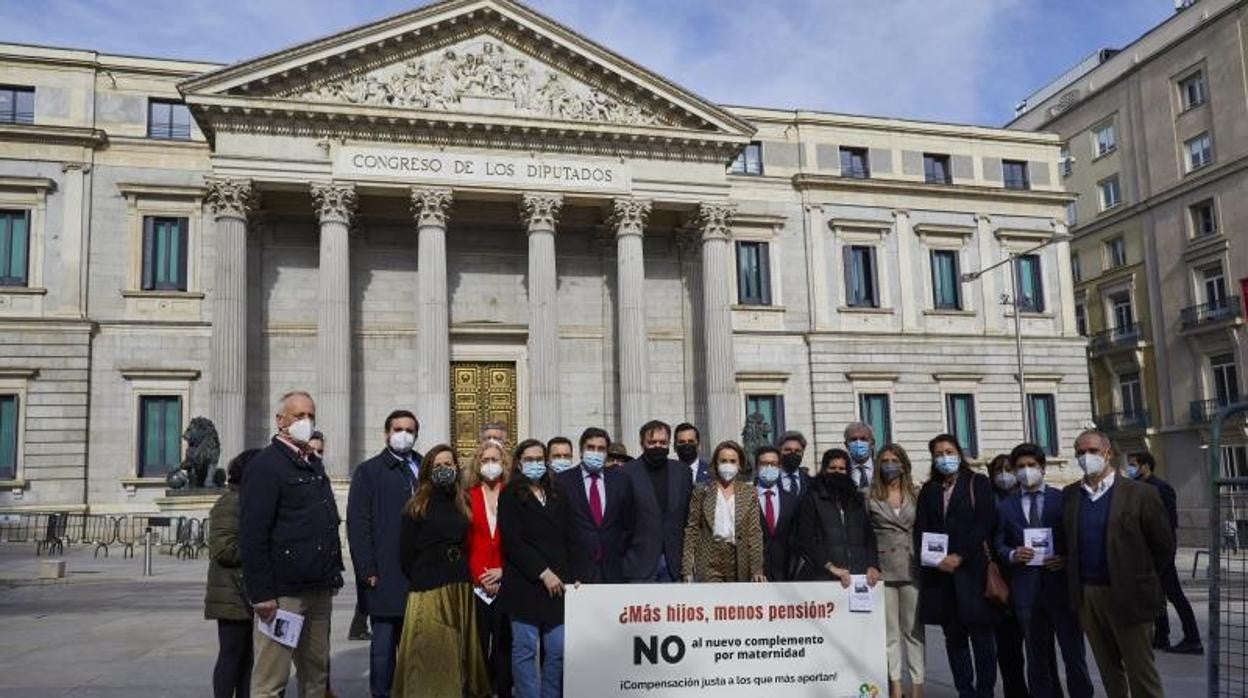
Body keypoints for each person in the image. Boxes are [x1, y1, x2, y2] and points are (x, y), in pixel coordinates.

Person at [240, 391, 344, 698]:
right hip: (283, 593)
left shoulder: (314, 464)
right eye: (299, 416)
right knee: (271, 679)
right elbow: (253, 533)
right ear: (281, 420)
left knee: (316, 675)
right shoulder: (266, 465)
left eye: (310, 416)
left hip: (318, 587)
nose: (306, 422)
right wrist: (261, 593)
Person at [1063, 431, 1173, 698]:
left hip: (1128, 593)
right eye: (1080, 452)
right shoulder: (1070, 496)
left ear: (1108, 453)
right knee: (1108, 672)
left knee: (1141, 672)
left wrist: (1140, 578)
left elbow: (1164, 545)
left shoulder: (1141, 493)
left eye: (1091, 450)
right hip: (1088, 596)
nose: (1085, 457)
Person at [995, 443, 1093, 698]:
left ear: (1042, 468)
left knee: (1074, 657)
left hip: (1061, 590)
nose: (1026, 471)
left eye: (1031, 466)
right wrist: (1013, 554)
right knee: (1036, 659)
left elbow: (1078, 541)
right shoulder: (1006, 506)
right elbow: (998, 545)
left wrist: (1065, 559)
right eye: (1020, 467)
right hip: (1026, 591)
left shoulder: (1062, 501)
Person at [393, 444, 490, 697]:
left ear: (456, 468)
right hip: (429, 588)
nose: (443, 469)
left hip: (460, 585)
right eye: (437, 465)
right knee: (431, 652)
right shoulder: (416, 506)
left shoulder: (463, 501)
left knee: (458, 651)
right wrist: (424, 578)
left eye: (448, 464)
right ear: (428, 470)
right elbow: (406, 555)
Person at [914, 433, 1000, 698]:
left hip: (972, 572)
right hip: (942, 577)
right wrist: (933, 558)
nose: (944, 458)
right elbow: (921, 528)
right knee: (955, 640)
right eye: (938, 454)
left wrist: (959, 555)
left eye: (949, 452)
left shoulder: (978, 482)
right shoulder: (929, 489)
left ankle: (985, 692)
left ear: (959, 454)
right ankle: (965, 691)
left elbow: (984, 522)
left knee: (983, 639)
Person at [346, 410, 422, 698]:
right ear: (387, 433)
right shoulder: (369, 471)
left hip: (418, 573)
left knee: (416, 646)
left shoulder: (423, 466)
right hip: (384, 572)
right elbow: (358, 523)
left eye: (409, 429)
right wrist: (366, 568)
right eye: (398, 428)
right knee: (383, 646)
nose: (404, 434)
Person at [498, 439, 582, 698]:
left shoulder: (557, 492)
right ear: (520, 463)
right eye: (529, 459)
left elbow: (572, 535)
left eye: (539, 459)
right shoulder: (510, 494)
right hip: (527, 583)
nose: (535, 464)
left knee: (557, 649)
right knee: (525, 650)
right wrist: (542, 572)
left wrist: (575, 574)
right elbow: (513, 542)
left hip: (559, 584)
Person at [1128, 450, 1203, 654]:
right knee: (1157, 595)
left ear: (1145, 466)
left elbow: (1169, 525)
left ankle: (1193, 638)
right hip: (1145, 552)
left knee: (1174, 594)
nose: (1129, 468)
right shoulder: (1137, 488)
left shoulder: (1161, 488)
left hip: (1162, 552)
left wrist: (1166, 553)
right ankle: (1162, 636)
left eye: (1133, 464)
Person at [866, 444, 924, 698]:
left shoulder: (917, 494)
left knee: (913, 631)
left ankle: (917, 686)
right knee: (889, 634)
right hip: (884, 571)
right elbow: (864, 535)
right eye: (885, 460)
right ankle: (895, 685)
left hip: (912, 568)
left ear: (904, 464)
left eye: (895, 460)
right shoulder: (869, 496)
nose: (890, 465)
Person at [206, 448, 260, 698]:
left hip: (242, 592)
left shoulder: (247, 499)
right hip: (232, 592)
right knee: (231, 654)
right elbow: (223, 549)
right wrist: (261, 552)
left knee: (246, 656)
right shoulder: (230, 502)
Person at [556, 427, 635, 583]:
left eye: (601, 449)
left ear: (606, 453)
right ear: (581, 450)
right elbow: (559, 526)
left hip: (614, 569)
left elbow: (629, 524)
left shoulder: (621, 480)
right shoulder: (562, 481)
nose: (595, 452)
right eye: (590, 448)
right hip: (577, 571)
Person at [796, 442, 880, 587]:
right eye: (832, 468)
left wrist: (873, 565)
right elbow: (806, 538)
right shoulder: (812, 498)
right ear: (824, 470)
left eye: (841, 469)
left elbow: (868, 536)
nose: (837, 472)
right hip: (824, 576)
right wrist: (830, 567)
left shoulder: (856, 500)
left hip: (858, 576)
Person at [466, 440, 513, 697]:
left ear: (504, 463)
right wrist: (480, 576)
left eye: (495, 459)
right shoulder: (468, 496)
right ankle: (480, 688)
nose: (490, 464)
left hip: (507, 579)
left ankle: (503, 688)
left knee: (505, 642)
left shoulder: (513, 495)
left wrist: (503, 571)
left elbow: (518, 540)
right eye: (485, 460)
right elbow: (466, 542)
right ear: (478, 464)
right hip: (478, 582)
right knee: (479, 641)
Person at [681, 441, 765, 582]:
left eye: (733, 461)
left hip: (738, 556)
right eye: (723, 461)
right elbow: (692, 529)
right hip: (709, 557)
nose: (728, 465)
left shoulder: (749, 493)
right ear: (716, 463)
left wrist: (757, 569)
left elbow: (754, 532)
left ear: (739, 464)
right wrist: (687, 568)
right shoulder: (702, 490)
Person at [621, 420, 694, 582]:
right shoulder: (626, 473)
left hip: (674, 564)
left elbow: (689, 517)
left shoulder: (682, 472)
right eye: (652, 442)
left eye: (662, 442)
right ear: (642, 444)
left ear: (669, 444)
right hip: (638, 563)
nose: (657, 446)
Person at [986, 453, 1029, 698]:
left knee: (1037, 649)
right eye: (998, 470)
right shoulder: (989, 502)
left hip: (1027, 580)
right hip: (1002, 582)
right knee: (1008, 649)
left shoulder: (1025, 498)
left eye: (1008, 469)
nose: (1004, 475)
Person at [755, 446, 799, 582]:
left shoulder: (792, 499)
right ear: (757, 467)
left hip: (785, 574)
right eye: (764, 464)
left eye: (773, 464)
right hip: (755, 576)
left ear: (780, 467)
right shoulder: (745, 499)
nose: (769, 468)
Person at [778, 430, 812, 496]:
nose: (792, 454)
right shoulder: (768, 481)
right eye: (788, 450)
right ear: (779, 451)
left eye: (797, 451)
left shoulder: (812, 483)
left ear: (803, 453)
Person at [844, 421, 877, 492]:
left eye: (863, 439)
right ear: (846, 445)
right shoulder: (842, 469)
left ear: (872, 444)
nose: (858, 443)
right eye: (853, 439)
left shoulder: (880, 467)